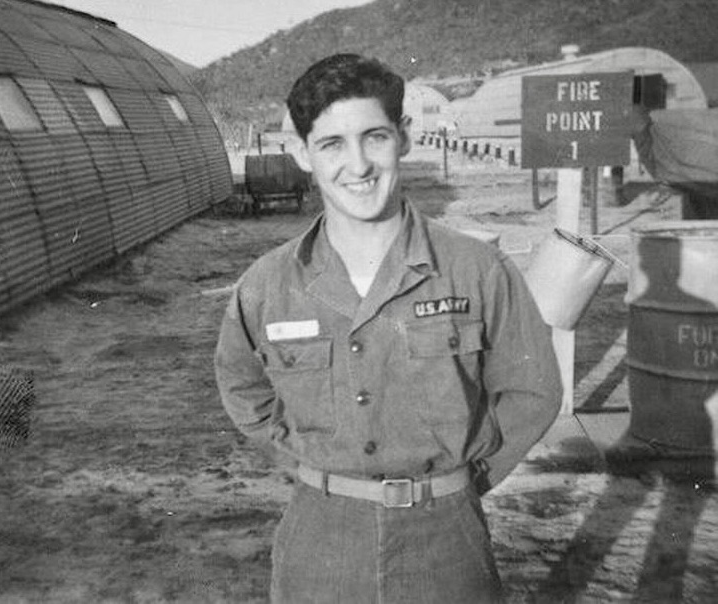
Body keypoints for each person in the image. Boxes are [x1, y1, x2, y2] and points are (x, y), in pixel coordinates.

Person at [215, 53, 562, 603]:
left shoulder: (476, 269)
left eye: (373, 137)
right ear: (303, 153)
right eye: (332, 144)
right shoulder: (268, 283)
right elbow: (242, 387)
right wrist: (311, 462)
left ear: (403, 136)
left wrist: (463, 483)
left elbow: (532, 390)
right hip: (321, 543)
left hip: (446, 543)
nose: (358, 165)